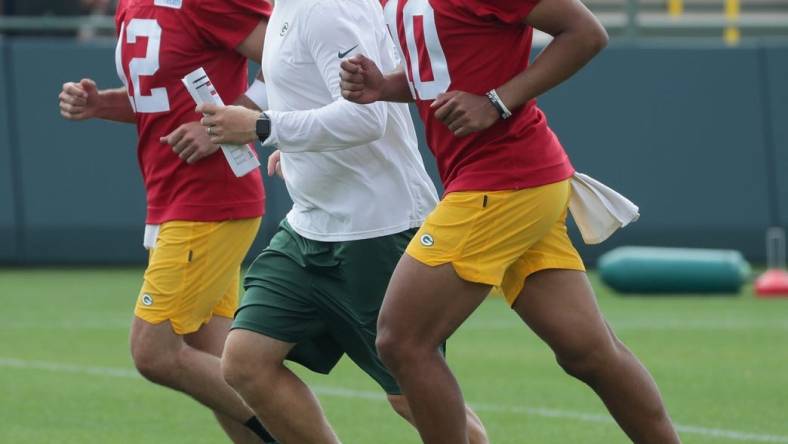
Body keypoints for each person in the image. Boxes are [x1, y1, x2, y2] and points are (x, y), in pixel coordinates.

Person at [339, 0, 682, 443]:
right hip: (512, 183)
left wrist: (497, 102)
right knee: (587, 352)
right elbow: (442, 71)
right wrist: (385, 86)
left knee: (401, 340)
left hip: (505, 181)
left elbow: (586, 33)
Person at [194, 0, 488, 442]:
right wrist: (293, 151)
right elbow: (315, 100)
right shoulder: (289, 8)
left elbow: (365, 117)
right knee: (245, 362)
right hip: (310, 226)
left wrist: (263, 127)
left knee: (411, 394)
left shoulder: (327, 7)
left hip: (377, 229)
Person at [57, 0, 275, 442]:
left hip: (210, 198)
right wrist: (102, 104)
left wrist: (227, 122)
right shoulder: (130, 5)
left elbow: (291, 56)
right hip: (172, 196)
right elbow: (158, 102)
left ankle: (306, 435)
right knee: (215, 358)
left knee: (152, 351)